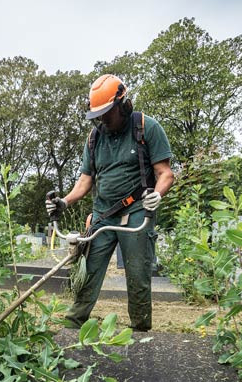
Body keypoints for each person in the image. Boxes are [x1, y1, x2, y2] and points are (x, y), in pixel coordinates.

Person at [46, 74, 174, 332]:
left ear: (123, 105)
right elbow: (85, 181)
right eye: (98, 116)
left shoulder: (145, 127)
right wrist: (64, 202)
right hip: (103, 213)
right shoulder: (94, 138)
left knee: (137, 276)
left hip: (137, 210)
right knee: (87, 270)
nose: (102, 120)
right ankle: (72, 327)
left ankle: (140, 330)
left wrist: (156, 195)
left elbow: (165, 174)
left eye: (107, 114)